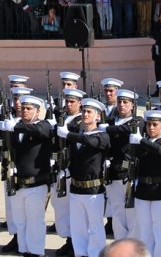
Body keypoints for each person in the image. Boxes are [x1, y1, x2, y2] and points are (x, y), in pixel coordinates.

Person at [0, 94, 54, 257]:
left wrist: (15, 127)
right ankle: (23, 250)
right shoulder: (17, 127)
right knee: (20, 222)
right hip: (18, 183)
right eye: (23, 108)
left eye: (29, 109)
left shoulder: (43, 125)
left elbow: (41, 131)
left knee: (35, 222)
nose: (25, 111)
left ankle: (36, 252)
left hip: (36, 184)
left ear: (37, 112)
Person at [57, 98, 110, 257]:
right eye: (84, 111)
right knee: (78, 227)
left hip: (93, 190)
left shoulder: (102, 136)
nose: (85, 114)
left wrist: (68, 134)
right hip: (75, 188)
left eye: (89, 112)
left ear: (98, 117)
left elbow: (91, 141)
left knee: (95, 228)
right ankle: (80, 253)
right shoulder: (78, 135)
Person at [130, 109, 161, 257]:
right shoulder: (142, 141)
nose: (151, 127)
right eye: (149, 124)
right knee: (145, 229)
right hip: (143, 189)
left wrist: (141, 141)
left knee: (160, 229)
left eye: (155, 124)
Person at [51, 82, 85, 256]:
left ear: (80, 102)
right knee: (60, 206)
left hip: (73, 169)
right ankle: (68, 239)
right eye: (67, 101)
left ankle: (75, 242)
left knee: (74, 208)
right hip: (60, 168)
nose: (69, 104)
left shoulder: (80, 121)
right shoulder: (61, 119)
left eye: (73, 101)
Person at [104, 89, 143, 240]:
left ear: (132, 105)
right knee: (117, 212)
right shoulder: (111, 121)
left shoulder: (138, 120)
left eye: (125, 102)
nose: (121, 105)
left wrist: (106, 128)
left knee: (132, 214)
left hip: (130, 174)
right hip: (113, 172)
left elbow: (127, 129)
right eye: (119, 101)